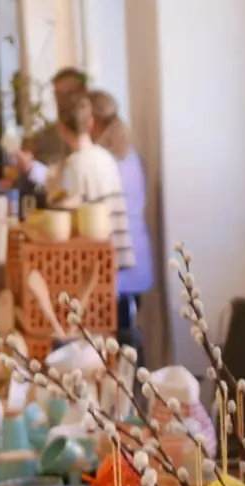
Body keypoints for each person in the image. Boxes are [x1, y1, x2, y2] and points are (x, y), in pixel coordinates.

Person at [89, 90, 154, 359]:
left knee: (122, 338)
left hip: (120, 261)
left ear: (91, 121)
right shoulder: (131, 155)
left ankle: (131, 393)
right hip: (139, 254)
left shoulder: (103, 161)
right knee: (129, 329)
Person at [52, 93, 135, 273]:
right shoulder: (106, 157)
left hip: (95, 261)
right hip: (118, 252)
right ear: (90, 122)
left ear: (61, 129)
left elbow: (70, 216)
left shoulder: (74, 165)